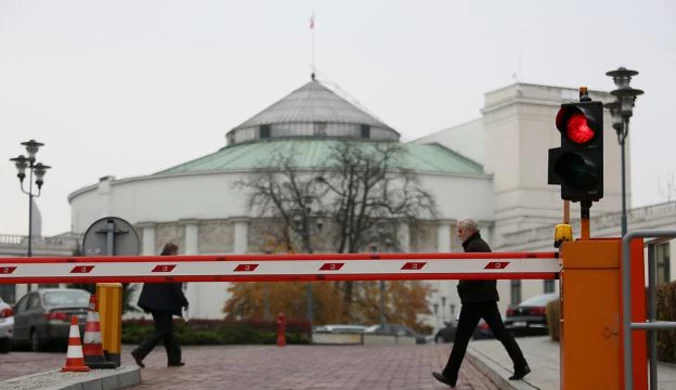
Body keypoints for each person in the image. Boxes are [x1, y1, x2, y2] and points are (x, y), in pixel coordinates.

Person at [433, 219, 530, 389]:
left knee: (462, 338)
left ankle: (450, 374)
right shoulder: (478, 244)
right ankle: (521, 364)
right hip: (484, 299)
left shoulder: (475, 247)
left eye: (460, 231)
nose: (458, 234)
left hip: (475, 300)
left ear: (469, 231)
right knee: (500, 333)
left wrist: (461, 287)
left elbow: (473, 275)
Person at [131, 243, 189, 368]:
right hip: (161, 305)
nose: (177, 256)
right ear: (172, 252)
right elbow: (174, 287)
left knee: (168, 331)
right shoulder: (169, 265)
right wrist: (184, 302)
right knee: (163, 330)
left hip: (157, 303)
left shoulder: (158, 262)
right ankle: (139, 352)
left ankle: (174, 359)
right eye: (176, 253)